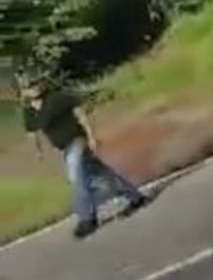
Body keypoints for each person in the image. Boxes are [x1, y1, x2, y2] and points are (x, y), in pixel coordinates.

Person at [20, 78, 148, 238]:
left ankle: (87, 219)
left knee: (76, 178)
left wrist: (91, 136)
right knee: (100, 174)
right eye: (28, 86)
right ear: (24, 92)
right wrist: (38, 152)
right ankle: (135, 196)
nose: (33, 88)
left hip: (77, 140)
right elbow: (32, 133)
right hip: (64, 148)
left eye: (35, 84)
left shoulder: (57, 98)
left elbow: (80, 113)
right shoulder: (29, 111)